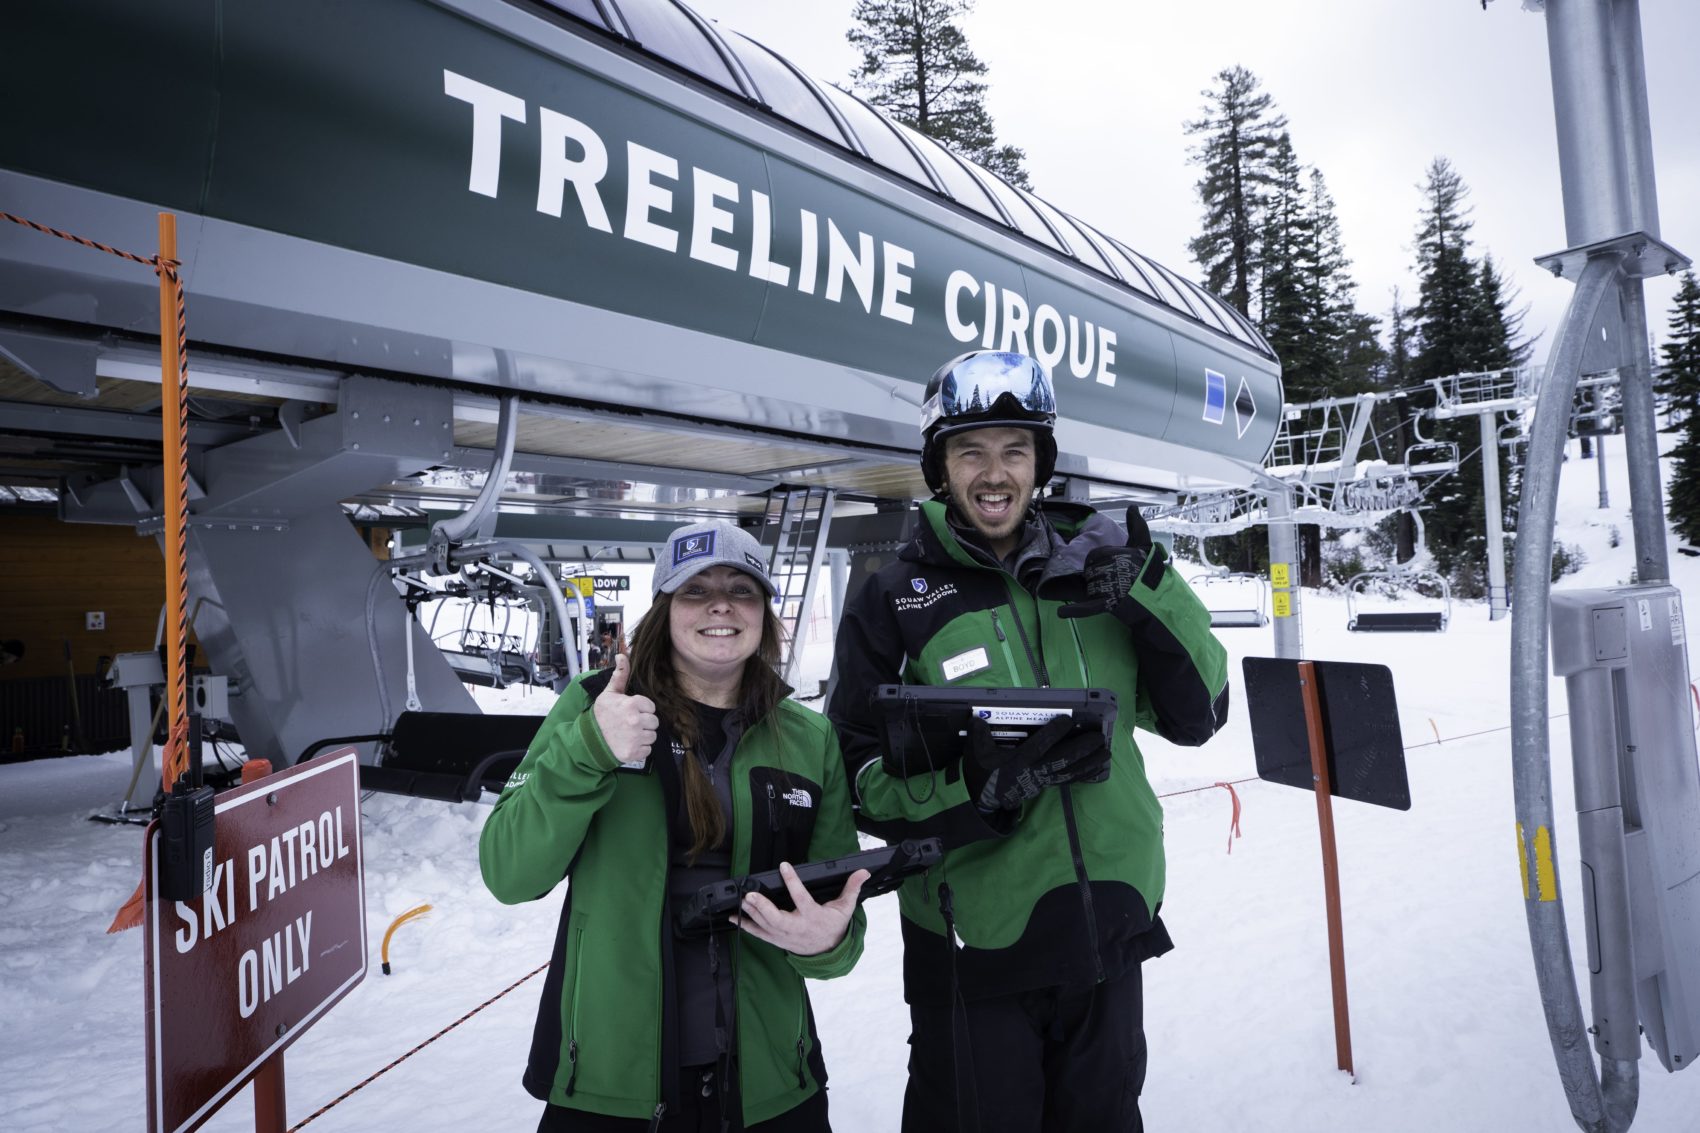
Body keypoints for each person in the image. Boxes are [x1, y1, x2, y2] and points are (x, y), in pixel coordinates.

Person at [827, 350, 1230, 1132]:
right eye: (970, 450)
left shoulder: (1099, 568)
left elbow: (1200, 712)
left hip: (1109, 931)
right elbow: (855, 774)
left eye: (1014, 449)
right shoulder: (894, 596)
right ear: (940, 467)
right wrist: (973, 790)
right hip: (975, 952)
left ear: (1039, 462)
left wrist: (1149, 583)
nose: (994, 472)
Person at [482, 520, 869, 1132]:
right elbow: (508, 872)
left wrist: (828, 942)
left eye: (742, 589)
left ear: (764, 613)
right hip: (612, 1080)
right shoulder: (593, 708)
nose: (720, 603)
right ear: (665, 611)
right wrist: (589, 749)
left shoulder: (806, 736)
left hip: (770, 1080)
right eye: (695, 589)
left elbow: (835, 907)